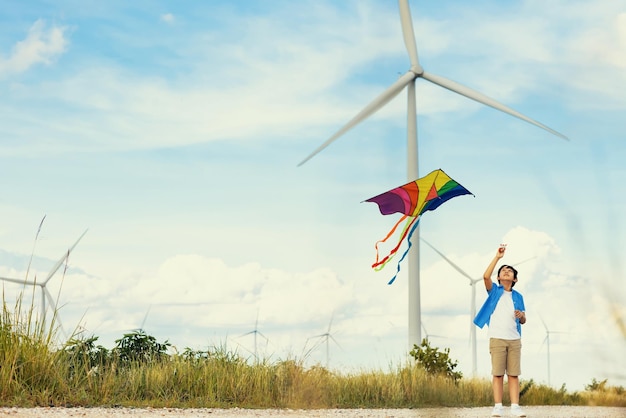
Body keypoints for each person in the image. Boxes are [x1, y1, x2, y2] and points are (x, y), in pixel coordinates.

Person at [474, 244, 527, 417]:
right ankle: (498, 406)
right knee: (497, 374)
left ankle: (515, 407)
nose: (506, 271)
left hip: (514, 339)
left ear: (515, 279)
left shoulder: (518, 297)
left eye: (509, 271)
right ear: (498, 277)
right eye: (503, 270)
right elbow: (485, 276)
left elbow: (524, 320)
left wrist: (521, 316)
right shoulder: (494, 292)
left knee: (513, 374)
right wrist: (498, 258)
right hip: (497, 338)